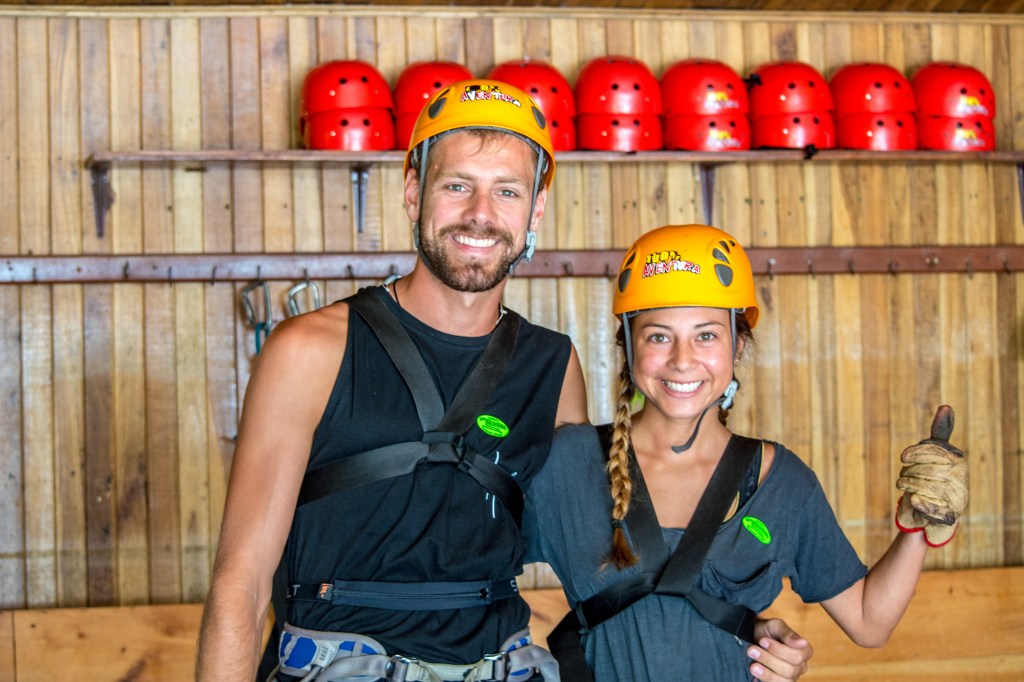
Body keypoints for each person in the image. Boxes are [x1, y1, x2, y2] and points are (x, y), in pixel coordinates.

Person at [196, 80, 812, 682]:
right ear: (414, 192)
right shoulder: (309, 352)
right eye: (457, 185)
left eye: (507, 191)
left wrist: (744, 628)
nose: (481, 215)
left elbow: (602, 566)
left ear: (535, 209)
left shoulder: (550, 364)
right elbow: (240, 586)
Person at [523, 223, 969, 682]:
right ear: (627, 346)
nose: (682, 359)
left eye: (706, 335)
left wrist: (916, 528)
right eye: (658, 336)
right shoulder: (568, 464)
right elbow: (469, 566)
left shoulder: (780, 482)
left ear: (738, 345)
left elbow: (869, 621)